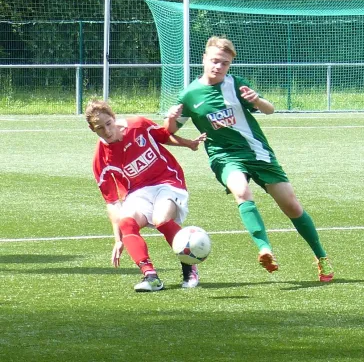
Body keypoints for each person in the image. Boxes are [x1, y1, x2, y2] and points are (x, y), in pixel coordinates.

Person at [164, 36, 334, 282]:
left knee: (292, 206)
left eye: (224, 63)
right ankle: (265, 249)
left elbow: (270, 110)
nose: (218, 67)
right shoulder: (190, 95)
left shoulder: (236, 85)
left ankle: (321, 256)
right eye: (214, 61)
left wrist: (257, 100)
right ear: (204, 59)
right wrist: (171, 119)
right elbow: (167, 132)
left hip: (258, 153)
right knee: (241, 192)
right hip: (224, 156)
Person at [85, 100, 206, 292]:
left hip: (167, 181)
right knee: (126, 224)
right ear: (93, 130)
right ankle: (151, 277)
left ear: (114, 118)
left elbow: (163, 136)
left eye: (108, 123)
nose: (107, 131)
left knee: (161, 220)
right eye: (99, 128)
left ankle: (189, 266)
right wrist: (118, 239)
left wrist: (188, 143)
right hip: (137, 192)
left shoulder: (138, 125)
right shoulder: (101, 159)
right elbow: (112, 202)